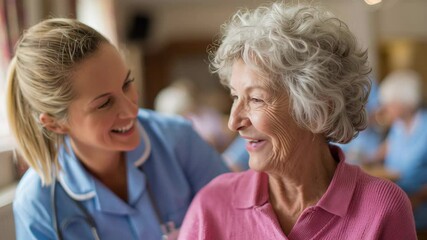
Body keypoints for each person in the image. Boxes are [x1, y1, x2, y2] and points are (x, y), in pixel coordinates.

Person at [179, 3, 417, 239]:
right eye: (235, 96)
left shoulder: (382, 208)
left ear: (319, 109)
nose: (234, 122)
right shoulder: (211, 206)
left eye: (255, 99)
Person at [6, 18, 229, 240]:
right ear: (54, 122)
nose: (131, 110)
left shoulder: (179, 139)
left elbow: (238, 221)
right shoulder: (38, 205)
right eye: (104, 104)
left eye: (126, 84)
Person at [374, 69, 427, 232]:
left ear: (406, 102)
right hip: (397, 196)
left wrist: (414, 200)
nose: (385, 108)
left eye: (390, 103)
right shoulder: (398, 125)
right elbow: (386, 148)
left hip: (418, 203)